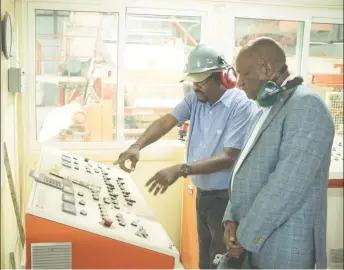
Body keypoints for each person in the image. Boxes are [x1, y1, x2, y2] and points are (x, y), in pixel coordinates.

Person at [115, 44, 257, 269]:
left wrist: (182, 169)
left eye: (201, 81)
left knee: (223, 263)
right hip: (204, 197)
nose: (196, 86)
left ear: (223, 78)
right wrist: (137, 145)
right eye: (194, 80)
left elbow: (229, 157)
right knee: (205, 262)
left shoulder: (240, 106)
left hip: (226, 200)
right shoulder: (195, 99)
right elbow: (166, 122)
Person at [222, 37, 335, 269]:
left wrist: (244, 236)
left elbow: (285, 187)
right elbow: (244, 169)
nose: (239, 83)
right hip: (250, 240)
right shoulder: (264, 108)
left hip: (282, 248)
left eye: (244, 74)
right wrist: (230, 220)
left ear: (266, 69)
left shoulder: (307, 107)